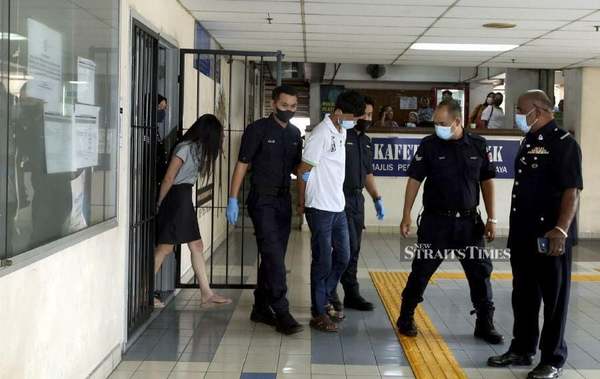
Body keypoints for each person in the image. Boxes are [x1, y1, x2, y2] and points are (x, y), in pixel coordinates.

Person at [488, 90, 583, 379]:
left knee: (554, 300)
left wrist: (561, 229)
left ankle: (552, 358)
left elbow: (572, 190)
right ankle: (522, 348)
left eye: (519, 109)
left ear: (538, 111)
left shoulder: (564, 144)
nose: (516, 114)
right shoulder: (529, 140)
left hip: (550, 236)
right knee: (523, 295)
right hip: (524, 234)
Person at [397, 99, 503, 345]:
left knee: (480, 274)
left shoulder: (477, 144)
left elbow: (487, 182)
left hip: (468, 224)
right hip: (436, 224)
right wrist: (406, 214)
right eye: (435, 123)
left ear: (458, 121)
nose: (437, 127)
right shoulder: (429, 145)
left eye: (442, 123)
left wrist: (492, 218)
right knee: (421, 272)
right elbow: (414, 179)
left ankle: (485, 323)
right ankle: (406, 316)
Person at [226, 85, 304, 335]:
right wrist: (232, 198)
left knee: (274, 257)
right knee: (273, 256)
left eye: (293, 107)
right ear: (273, 104)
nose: (289, 111)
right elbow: (242, 164)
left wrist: (307, 187)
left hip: (283, 202)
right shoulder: (257, 129)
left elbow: (298, 169)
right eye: (284, 106)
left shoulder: (294, 133)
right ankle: (282, 311)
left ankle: (260, 307)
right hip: (262, 201)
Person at [297, 90, 366, 332]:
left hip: (338, 206)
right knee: (323, 260)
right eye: (353, 117)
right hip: (319, 207)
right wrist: (302, 202)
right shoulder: (320, 134)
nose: (355, 121)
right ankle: (318, 312)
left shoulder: (342, 130)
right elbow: (304, 169)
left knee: (344, 256)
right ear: (338, 112)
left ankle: (325, 295)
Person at [154, 114, 231, 306]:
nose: (220, 139)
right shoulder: (185, 148)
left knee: (195, 246)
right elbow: (169, 178)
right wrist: (159, 203)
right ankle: (143, 293)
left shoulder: (197, 149)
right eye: (219, 135)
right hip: (175, 197)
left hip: (183, 197)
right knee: (165, 247)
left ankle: (206, 293)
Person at [328, 96, 384, 314]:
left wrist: (376, 198)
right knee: (343, 249)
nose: (368, 119)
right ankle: (331, 292)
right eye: (365, 114)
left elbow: (367, 172)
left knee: (354, 248)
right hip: (339, 198)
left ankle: (350, 293)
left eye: (370, 115)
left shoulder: (366, 141)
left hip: (356, 199)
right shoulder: (342, 136)